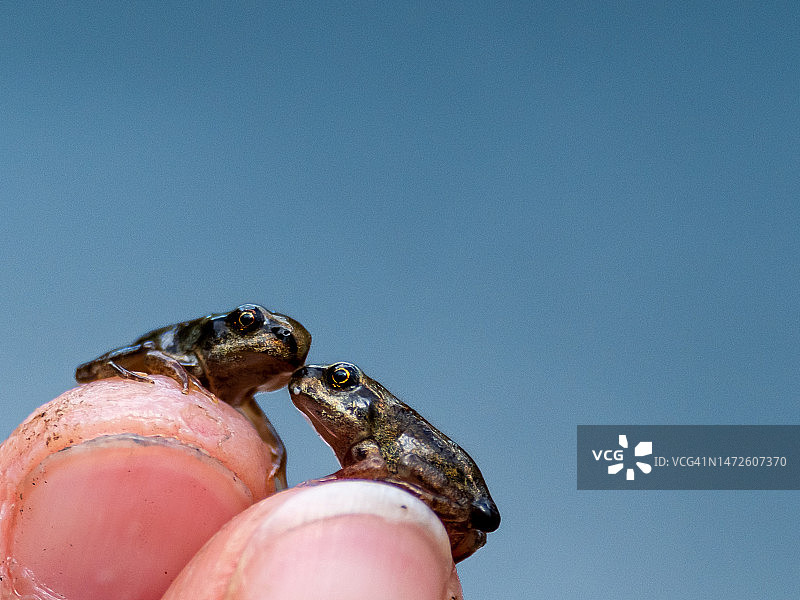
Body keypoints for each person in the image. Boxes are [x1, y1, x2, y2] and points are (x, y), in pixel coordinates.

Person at [0, 376, 462, 600]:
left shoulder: (377, 440)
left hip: (457, 498)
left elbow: (375, 462)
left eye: (338, 383)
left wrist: (340, 482)